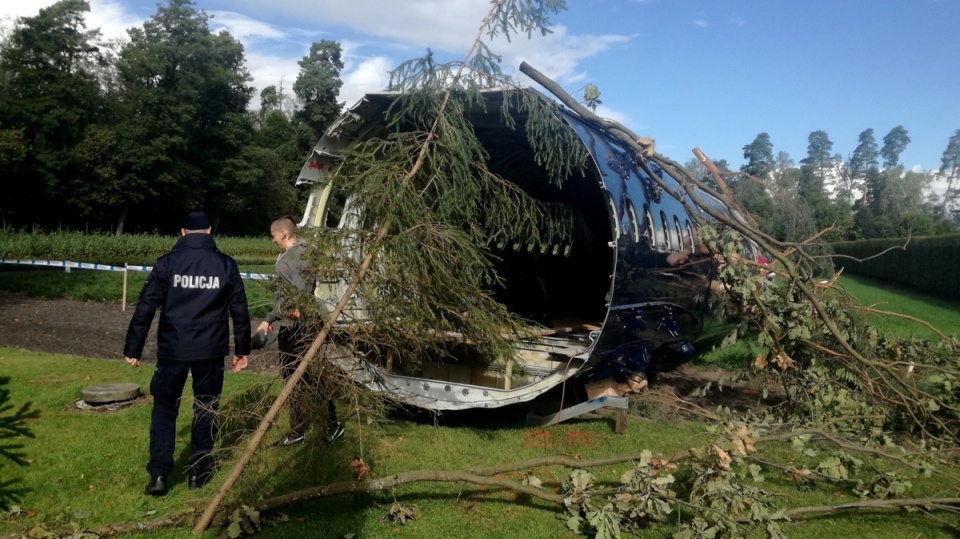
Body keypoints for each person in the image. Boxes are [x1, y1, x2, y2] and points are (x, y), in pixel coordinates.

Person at [123, 211, 251, 496]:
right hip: (210, 351)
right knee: (205, 408)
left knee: (165, 410)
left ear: (182, 232)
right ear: (208, 231)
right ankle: (199, 472)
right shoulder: (226, 265)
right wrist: (242, 350)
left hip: (173, 349)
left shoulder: (167, 264)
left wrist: (134, 348)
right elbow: (240, 311)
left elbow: (145, 307)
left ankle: (158, 475)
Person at [255, 217, 342, 448]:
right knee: (291, 377)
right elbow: (282, 293)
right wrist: (268, 319)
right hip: (287, 324)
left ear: (283, 233)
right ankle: (297, 429)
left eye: (274, 236)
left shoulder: (303, 252)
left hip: (304, 324)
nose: (272, 240)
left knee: (311, 376)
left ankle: (333, 424)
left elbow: (305, 285)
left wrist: (299, 307)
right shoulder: (284, 256)